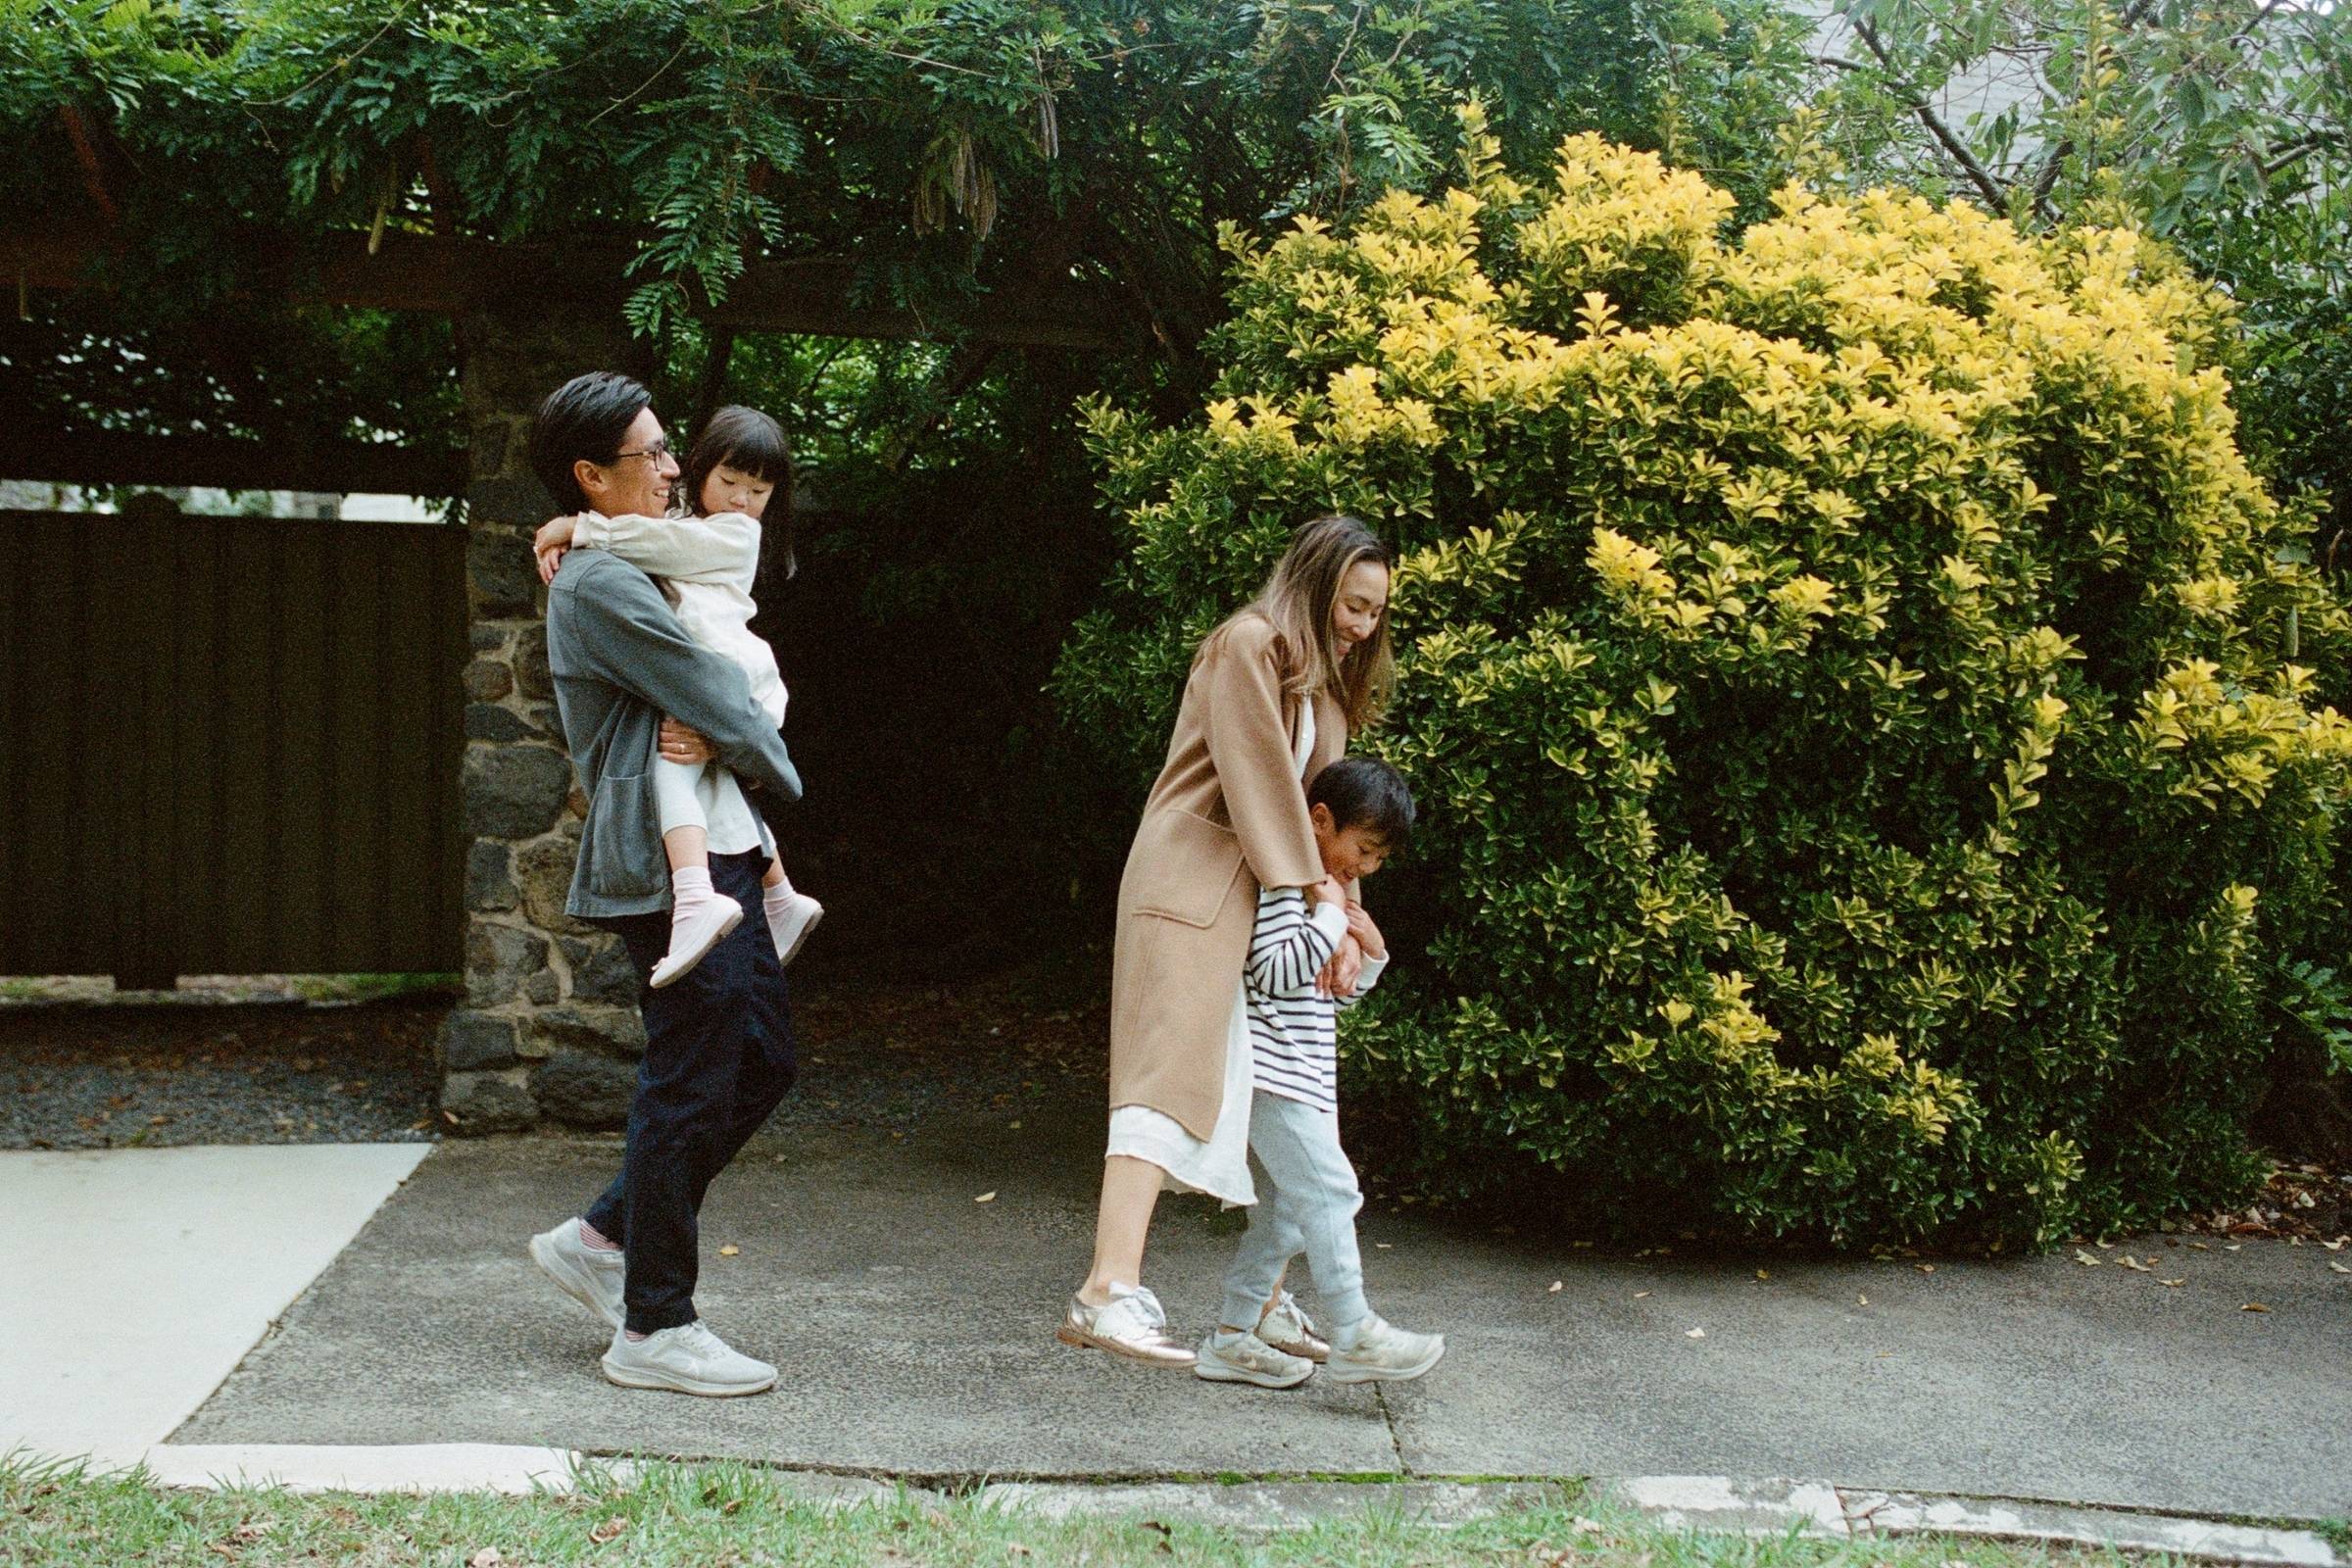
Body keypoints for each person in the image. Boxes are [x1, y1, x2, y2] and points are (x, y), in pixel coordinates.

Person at [519, 371, 803, 1398]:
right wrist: (765, 745)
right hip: (663, 865)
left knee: (763, 1058)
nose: (677, 467)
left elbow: (720, 672)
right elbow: (716, 693)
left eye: (670, 446)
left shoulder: (624, 553)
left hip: (722, 845)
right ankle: (654, 1322)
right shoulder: (601, 585)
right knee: (691, 1072)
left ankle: (602, 1236)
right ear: (594, 475)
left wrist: (569, 524)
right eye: (653, 455)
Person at [1061, 514, 1394, 1365]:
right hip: (1191, 879)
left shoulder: (1322, 686)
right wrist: (1322, 893)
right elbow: (1259, 778)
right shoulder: (1247, 644)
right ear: (1317, 584)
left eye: (1374, 614)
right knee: (1159, 1083)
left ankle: (1267, 1304)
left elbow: (1327, 814)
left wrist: (1343, 917)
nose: (1362, 626)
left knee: (1282, 1092)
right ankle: (1105, 1292)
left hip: (1264, 893)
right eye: (1352, 605)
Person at [531, 406, 824, 989]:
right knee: (677, 750)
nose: (742, 500)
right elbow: (657, 543)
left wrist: (579, 528)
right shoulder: (606, 579)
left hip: (735, 672)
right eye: (730, 482)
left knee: (683, 751)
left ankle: (739, 895)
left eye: (759, 490)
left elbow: (663, 546)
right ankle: (748, 894)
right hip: (724, 709)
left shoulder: (727, 533)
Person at [1195, 756, 1445, 1387]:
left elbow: (1325, 991)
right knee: (1333, 1192)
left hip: (1302, 1074)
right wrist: (1330, 915)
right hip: (1275, 1077)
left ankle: (1230, 1336)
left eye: (1379, 859)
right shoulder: (1288, 885)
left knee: (1282, 1216)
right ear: (1320, 820)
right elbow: (1272, 972)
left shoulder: (1323, 892)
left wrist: (1373, 952)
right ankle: (1355, 1329)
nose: (1365, 868)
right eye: (1363, 849)